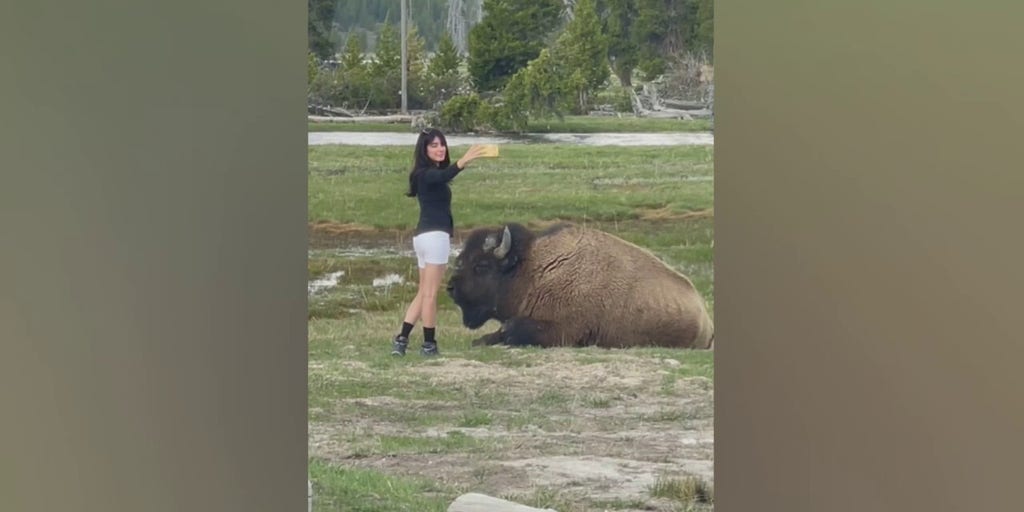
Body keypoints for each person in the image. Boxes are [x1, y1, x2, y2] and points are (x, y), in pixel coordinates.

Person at [391, 128, 487, 356]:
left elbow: (442, 176)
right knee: (431, 294)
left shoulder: (424, 174)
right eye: (433, 145)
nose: (440, 149)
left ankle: (402, 339)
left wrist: (458, 164)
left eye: (442, 144)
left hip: (423, 238)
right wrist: (463, 162)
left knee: (423, 291)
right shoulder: (425, 174)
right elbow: (443, 176)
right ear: (424, 150)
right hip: (435, 238)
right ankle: (429, 344)